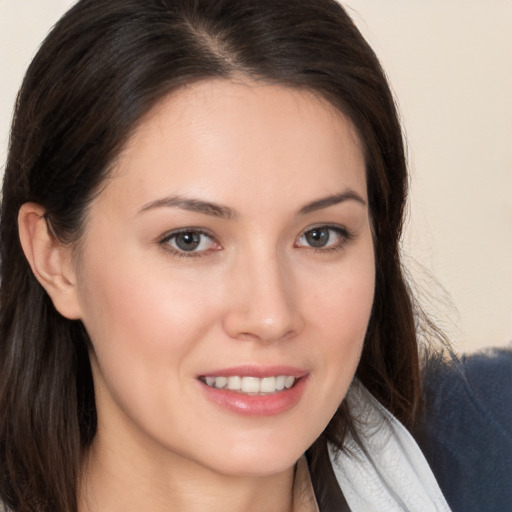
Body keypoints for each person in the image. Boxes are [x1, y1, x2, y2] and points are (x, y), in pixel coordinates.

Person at [0, 1, 506, 511]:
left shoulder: (488, 455)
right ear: (55, 259)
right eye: (189, 240)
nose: (270, 316)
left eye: (319, 235)